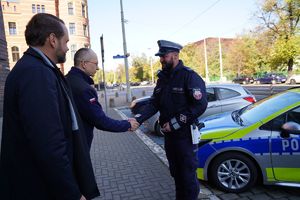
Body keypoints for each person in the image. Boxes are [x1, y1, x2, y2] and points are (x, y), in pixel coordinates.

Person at [0, 13, 99, 200]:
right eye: (66, 41)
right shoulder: (36, 73)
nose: (68, 48)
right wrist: (72, 193)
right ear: (52, 40)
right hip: (38, 188)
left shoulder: (35, 68)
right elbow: (48, 143)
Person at [135, 40, 208, 200]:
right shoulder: (163, 79)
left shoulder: (189, 76)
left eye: (164, 56)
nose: (161, 59)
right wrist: (138, 119)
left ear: (175, 56)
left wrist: (175, 123)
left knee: (188, 176)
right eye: (160, 56)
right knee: (176, 174)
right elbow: (154, 103)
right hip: (170, 138)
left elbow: (200, 105)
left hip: (185, 137)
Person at [65, 48, 139, 149]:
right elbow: (101, 121)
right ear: (84, 64)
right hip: (78, 146)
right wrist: (127, 124)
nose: (98, 68)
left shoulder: (66, 80)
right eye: (95, 64)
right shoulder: (84, 89)